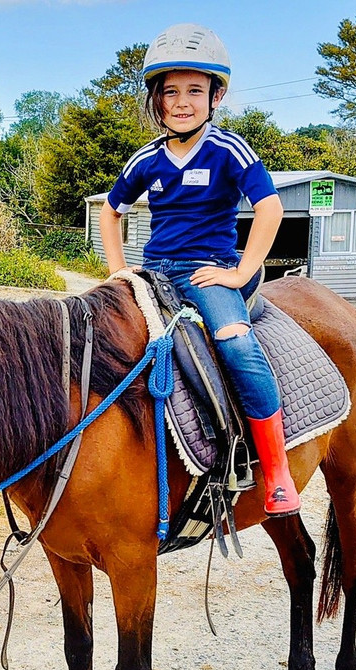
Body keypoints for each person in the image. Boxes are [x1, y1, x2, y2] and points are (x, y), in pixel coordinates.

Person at [100, 22, 300, 516]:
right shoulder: (147, 158)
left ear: (217, 95)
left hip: (208, 271)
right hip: (154, 272)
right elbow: (111, 210)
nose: (182, 101)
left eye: (195, 89)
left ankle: (275, 472)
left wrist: (241, 273)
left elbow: (270, 208)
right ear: (157, 101)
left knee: (237, 344)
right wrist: (117, 271)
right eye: (171, 92)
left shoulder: (229, 149)